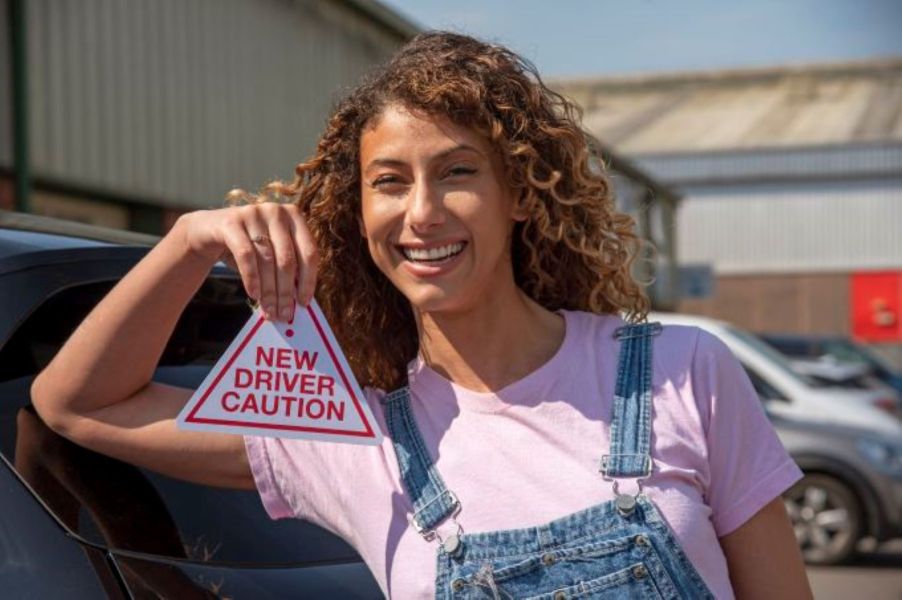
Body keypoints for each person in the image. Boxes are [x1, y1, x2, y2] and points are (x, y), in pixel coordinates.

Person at [31, 32, 813, 599]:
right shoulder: (353, 436)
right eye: (391, 182)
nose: (423, 214)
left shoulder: (684, 373)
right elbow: (78, 404)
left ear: (520, 195)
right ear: (358, 209)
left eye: (458, 172)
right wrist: (188, 242)